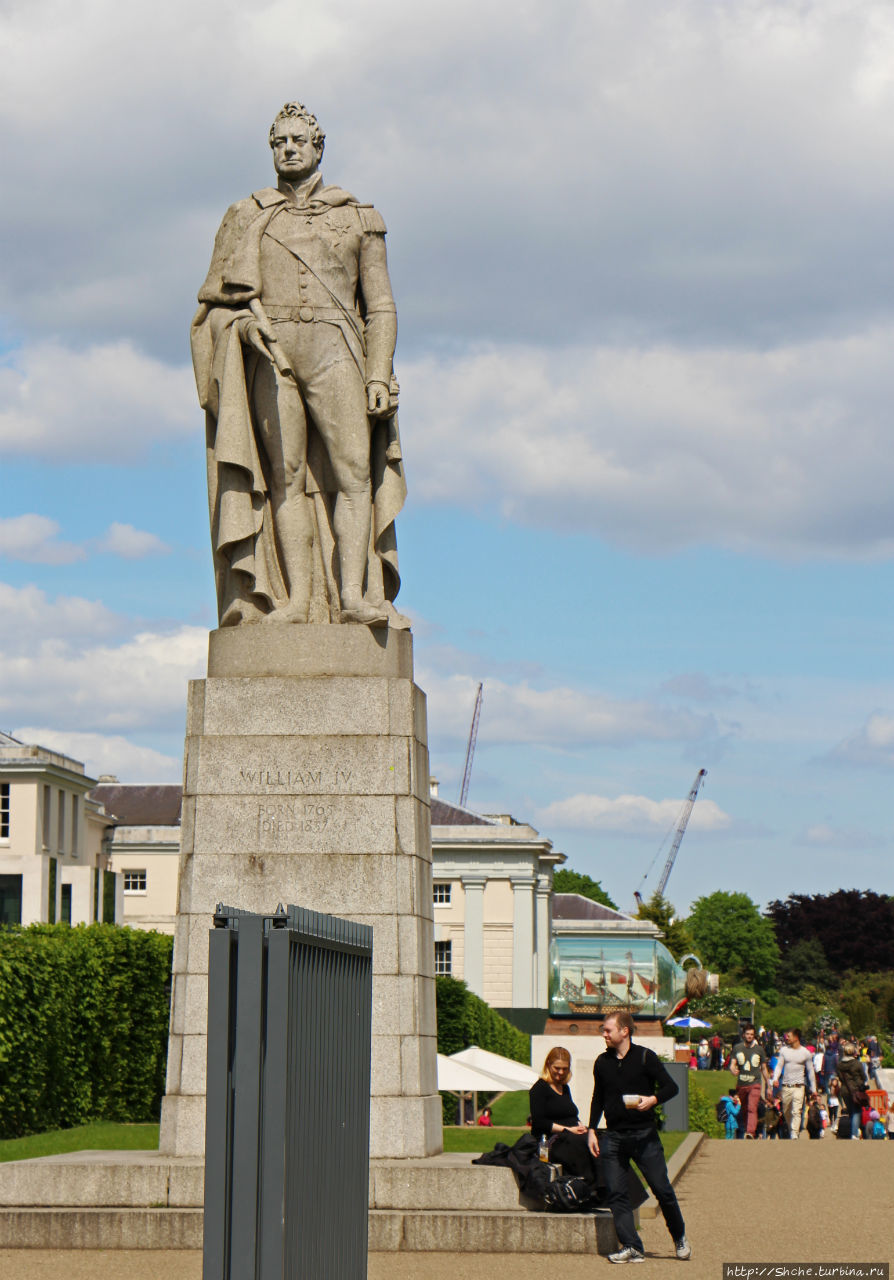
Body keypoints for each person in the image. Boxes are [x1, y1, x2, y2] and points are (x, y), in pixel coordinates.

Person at [192, 101, 408, 628]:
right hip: (274, 350)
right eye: (278, 142)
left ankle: (354, 596)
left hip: (338, 350)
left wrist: (378, 373)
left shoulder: (359, 216)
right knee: (285, 479)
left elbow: (379, 305)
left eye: (297, 141)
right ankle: (295, 602)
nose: (288, 149)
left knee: (354, 474)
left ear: (318, 147)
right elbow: (214, 307)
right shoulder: (246, 216)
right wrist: (243, 328)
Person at [587, 1010, 691, 1264]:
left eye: (608, 1030)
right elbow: (598, 1097)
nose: (604, 1033)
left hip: (644, 1135)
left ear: (625, 1031)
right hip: (613, 1136)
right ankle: (632, 1246)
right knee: (616, 1193)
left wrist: (652, 1100)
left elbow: (671, 1087)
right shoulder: (602, 1062)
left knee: (662, 1189)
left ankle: (679, 1237)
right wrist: (591, 1129)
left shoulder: (646, 1057)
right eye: (603, 1029)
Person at [529, 1047, 601, 1191]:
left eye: (564, 1069)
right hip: (551, 1140)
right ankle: (589, 1187)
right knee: (580, 1142)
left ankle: (609, 1188)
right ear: (548, 1065)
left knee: (601, 1139)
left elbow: (570, 1114)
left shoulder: (564, 1088)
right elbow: (539, 1122)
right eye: (557, 1068)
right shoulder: (539, 1089)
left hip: (570, 1133)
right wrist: (569, 1130)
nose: (561, 1072)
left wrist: (579, 1126)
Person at [771, 1028, 817, 1139]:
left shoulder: (805, 1053)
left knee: (797, 1111)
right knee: (786, 1111)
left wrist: (814, 1089)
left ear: (796, 1037)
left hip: (799, 1086)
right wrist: (775, 1078)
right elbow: (779, 1066)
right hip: (786, 1086)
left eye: (789, 1036)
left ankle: (794, 1133)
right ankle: (792, 1128)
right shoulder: (784, 1051)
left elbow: (811, 1071)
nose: (787, 1038)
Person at [730, 1023, 770, 1140]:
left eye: (752, 1034)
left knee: (752, 1107)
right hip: (742, 1084)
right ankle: (743, 1128)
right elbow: (732, 1064)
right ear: (743, 1035)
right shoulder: (737, 1048)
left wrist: (769, 1083)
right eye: (747, 1034)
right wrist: (733, 1070)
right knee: (744, 1108)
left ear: (754, 1036)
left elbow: (763, 1068)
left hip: (755, 1083)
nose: (749, 1036)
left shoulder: (759, 1050)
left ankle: (750, 1132)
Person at [836, 1039, 869, 1139]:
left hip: (845, 1090)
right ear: (853, 1052)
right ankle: (854, 1133)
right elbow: (864, 1077)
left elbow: (840, 1078)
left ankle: (851, 1132)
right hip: (856, 1090)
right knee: (856, 1111)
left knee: (850, 1111)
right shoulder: (857, 1064)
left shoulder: (839, 1064)